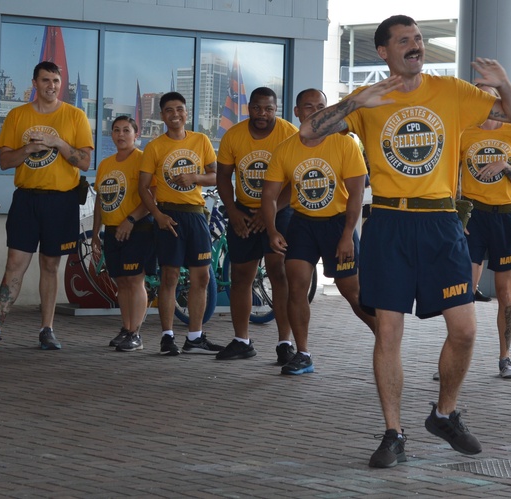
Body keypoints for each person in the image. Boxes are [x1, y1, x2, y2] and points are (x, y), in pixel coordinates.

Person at [298, 15, 511, 467]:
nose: (415, 45)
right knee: (387, 330)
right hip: (388, 222)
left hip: (441, 222)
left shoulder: (451, 91)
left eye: (418, 38)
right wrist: (356, 100)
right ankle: (393, 433)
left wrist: (504, 84)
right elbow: (308, 132)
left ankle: (445, 413)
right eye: (404, 40)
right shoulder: (366, 101)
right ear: (383, 52)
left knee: (464, 330)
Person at [0, 61, 93, 350]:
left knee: (50, 265)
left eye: (56, 81)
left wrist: (57, 142)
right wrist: (29, 149)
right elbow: (4, 161)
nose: (52, 86)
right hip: (26, 199)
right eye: (46, 80)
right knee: (15, 263)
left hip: (62, 199)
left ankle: (47, 329)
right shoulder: (17, 115)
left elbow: (85, 161)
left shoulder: (75, 116)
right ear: (34, 83)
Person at [262, 88, 375, 376]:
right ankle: (303, 354)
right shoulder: (286, 148)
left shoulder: (346, 144)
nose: (315, 111)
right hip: (303, 223)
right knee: (296, 284)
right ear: (297, 112)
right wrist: (273, 228)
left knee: (352, 291)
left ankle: (386, 337)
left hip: (339, 223)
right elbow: (270, 195)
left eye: (321, 106)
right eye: (308, 107)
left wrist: (348, 234)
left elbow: (356, 193)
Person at [214, 87, 297, 363]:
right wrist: (232, 211)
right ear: (248, 107)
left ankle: (285, 342)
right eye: (257, 108)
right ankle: (241, 340)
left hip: (279, 212)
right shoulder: (234, 135)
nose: (263, 114)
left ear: (276, 109)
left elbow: (296, 180)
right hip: (244, 212)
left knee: (279, 273)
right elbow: (223, 176)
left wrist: (270, 211)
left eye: (269, 109)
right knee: (240, 277)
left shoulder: (288, 134)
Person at [137, 91, 221, 356]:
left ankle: (195, 337)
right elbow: (143, 188)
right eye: (169, 110)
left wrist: (194, 177)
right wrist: (158, 216)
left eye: (180, 109)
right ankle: (167, 336)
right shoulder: (154, 146)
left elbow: (216, 176)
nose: (175, 114)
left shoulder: (201, 140)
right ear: (162, 116)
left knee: (202, 276)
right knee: (169, 276)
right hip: (168, 215)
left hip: (196, 214)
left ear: (187, 113)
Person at [458, 84, 511, 379]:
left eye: (490, 94)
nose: (486, 100)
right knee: (464, 289)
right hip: (473, 217)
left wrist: (505, 166)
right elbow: (452, 178)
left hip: (505, 217)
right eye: (479, 95)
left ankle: (505, 358)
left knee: (505, 293)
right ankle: (457, 355)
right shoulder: (464, 131)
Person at [92, 116, 152, 352]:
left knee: (135, 280)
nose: (121, 134)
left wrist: (130, 220)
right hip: (112, 230)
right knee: (122, 282)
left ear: (136, 134)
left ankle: (136, 332)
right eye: (116, 130)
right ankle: (126, 328)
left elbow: (151, 197)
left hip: (137, 228)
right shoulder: (106, 164)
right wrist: (96, 232)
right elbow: (100, 200)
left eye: (126, 130)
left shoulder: (142, 160)